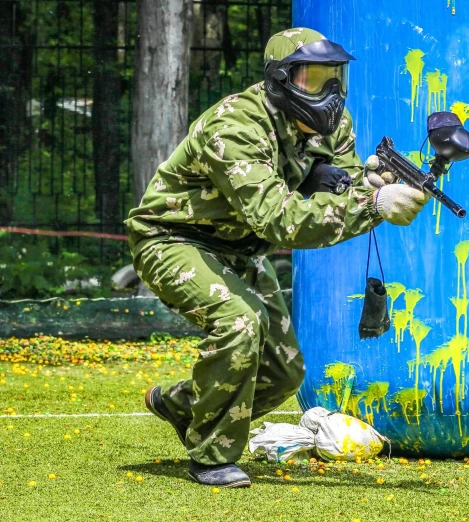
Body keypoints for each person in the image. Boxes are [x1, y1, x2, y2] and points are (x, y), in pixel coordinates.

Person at [125, 28, 429, 488]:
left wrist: (369, 185)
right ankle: (211, 455)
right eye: (313, 79)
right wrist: (373, 205)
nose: (329, 93)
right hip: (174, 239)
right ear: (279, 80)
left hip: (243, 248)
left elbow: (343, 182)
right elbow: (279, 220)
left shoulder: (335, 126)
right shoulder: (236, 126)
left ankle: (182, 405)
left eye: (335, 78)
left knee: (283, 373)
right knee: (239, 321)